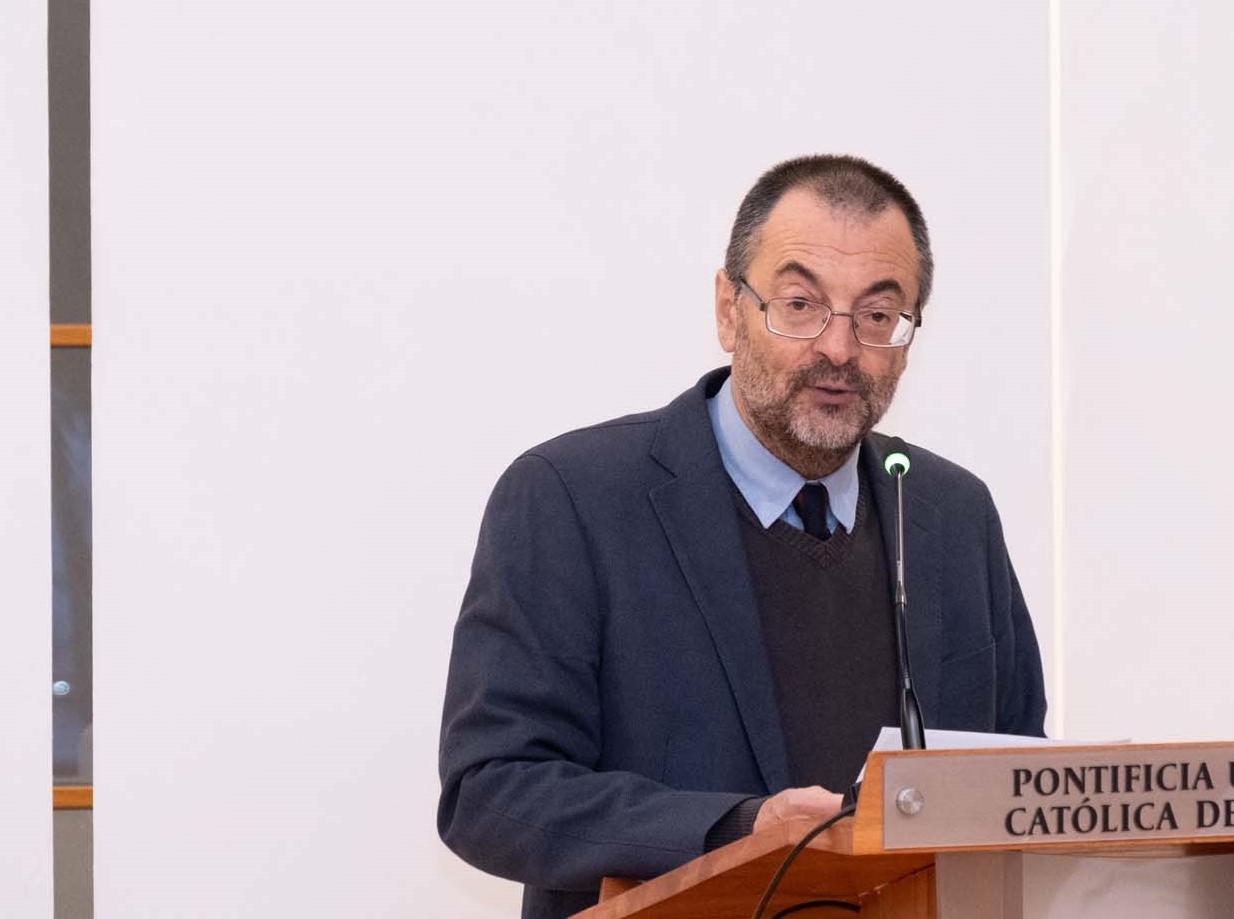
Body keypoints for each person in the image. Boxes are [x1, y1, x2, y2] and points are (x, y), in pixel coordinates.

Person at [438, 155, 1046, 919]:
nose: (839, 348)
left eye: (877, 315)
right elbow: (490, 791)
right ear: (729, 309)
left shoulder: (953, 516)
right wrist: (736, 831)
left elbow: (1018, 786)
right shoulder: (571, 499)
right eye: (800, 304)